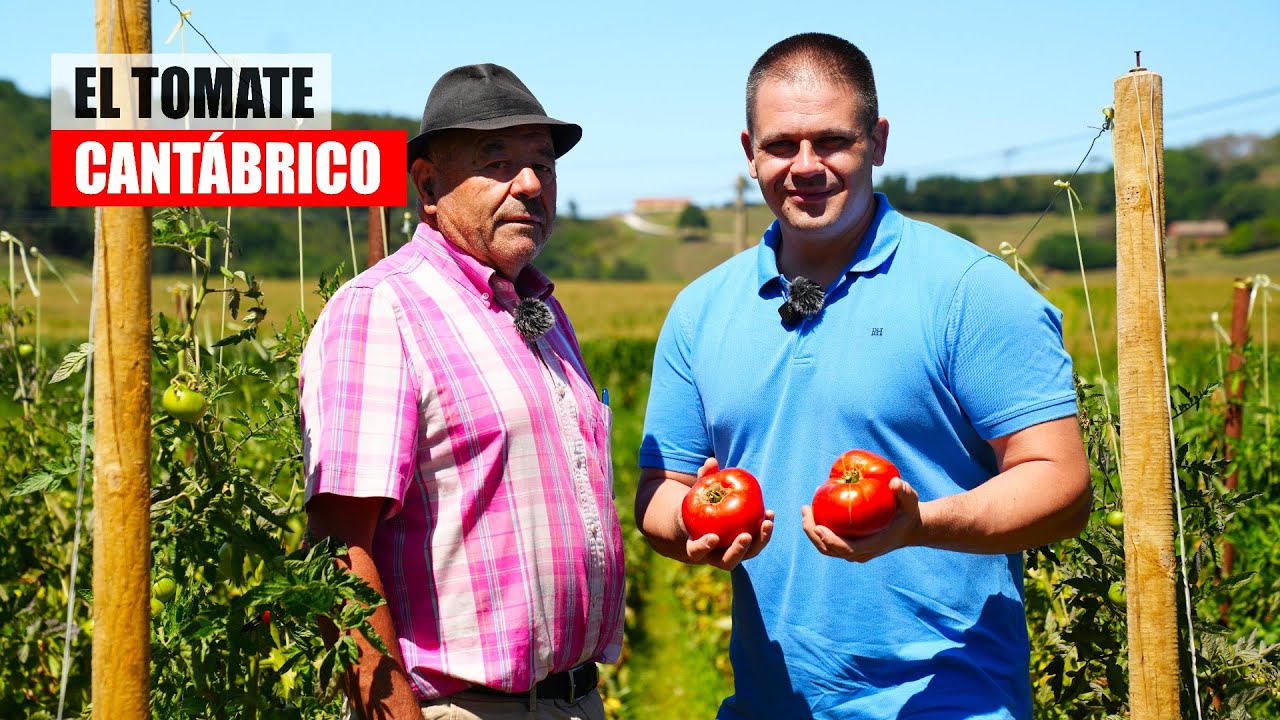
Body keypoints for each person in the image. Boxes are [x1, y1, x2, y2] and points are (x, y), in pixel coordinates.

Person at [636, 33, 1091, 720]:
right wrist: (694, 533)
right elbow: (661, 490)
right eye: (782, 145)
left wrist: (920, 523)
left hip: (950, 702)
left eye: (832, 141)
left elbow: (1061, 485)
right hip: (770, 703)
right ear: (748, 150)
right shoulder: (701, 310)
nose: (806, 166)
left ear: (877, 141)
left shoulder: (970, 292)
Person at [301, 63, 623, 720]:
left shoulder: (543, 313)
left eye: (543, 164)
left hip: (573, 700)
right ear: (428, 185)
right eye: (497, 161)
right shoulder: (382, 311)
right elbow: (338, 549)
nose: (532, 184)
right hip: (459, 708)